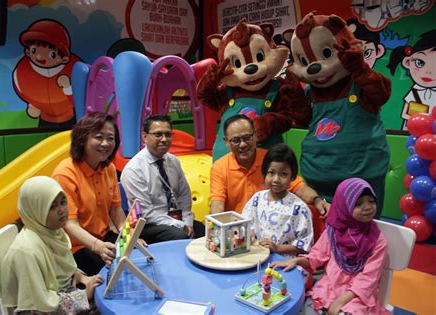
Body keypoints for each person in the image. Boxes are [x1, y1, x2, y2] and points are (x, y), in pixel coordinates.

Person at [271, 178, 389, 315]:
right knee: (303, 309)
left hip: (357, 296)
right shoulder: (334, 230)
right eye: (358, 204)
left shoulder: (377, 241)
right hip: (329, 288)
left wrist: (340, 302)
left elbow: (368, 279)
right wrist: (297, 260)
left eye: (372, 201)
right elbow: (317, 256)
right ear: (344, 207)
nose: (368, 207)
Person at [0, 176, 104, 313]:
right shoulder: (26, 251)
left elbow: (64, 272)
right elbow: (36, 310)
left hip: (68, 300)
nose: (62, 210)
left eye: (63, 202)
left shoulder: (54, 233)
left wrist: (80, 276)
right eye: (52, 206)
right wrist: (83, 297)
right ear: (36, 210)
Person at [210, 114, 329, 217]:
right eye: (235, 140)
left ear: (255, 135)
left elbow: (298, 186)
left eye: (247, 138)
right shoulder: (220, 167)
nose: (242, 144)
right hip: (237, 230)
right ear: (226, 141)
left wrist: (317, 200)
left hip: (270, 226)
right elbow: (217, 205)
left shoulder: (271, 159)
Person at [52, 112, 126, 276]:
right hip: (76, 247)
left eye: (110, 138)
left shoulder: (109, 168)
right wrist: (97, 246)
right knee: (116, 273)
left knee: (135, 257)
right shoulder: (65, 174)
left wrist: (128, 235)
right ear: (82, 140)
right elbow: (69, 224)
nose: (105, 143)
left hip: (103, 237)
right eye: (99, 137)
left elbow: (116, 210)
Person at [121, 114, 205, 244]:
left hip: (174, 219)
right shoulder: (134, 170)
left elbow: (184, 195)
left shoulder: (173, 161)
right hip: (146, 224)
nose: (164, 139)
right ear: (144, 136)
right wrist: (180, 225)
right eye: (158, 135)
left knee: (202, 231)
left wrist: (187, 222)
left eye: (168, 134)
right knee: (179, 236)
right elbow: (145, 213)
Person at [242, 144, 314, 258]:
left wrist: (277, 248)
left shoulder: (299, 208)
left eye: (283, 174)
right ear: (264, 173)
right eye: (271, 172)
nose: (276, 179)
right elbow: (244, 223)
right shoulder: (256, 199)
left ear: (293, 177)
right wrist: (248, 234)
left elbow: (305, 245)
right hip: (258, 258)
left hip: (286, 262)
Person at [387, 30, 436, 130]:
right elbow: (405, 113)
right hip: (411, 130)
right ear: (408, 62)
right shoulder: (414, 92)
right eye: (420, 63)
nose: (428, 72)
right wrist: (417, 120)